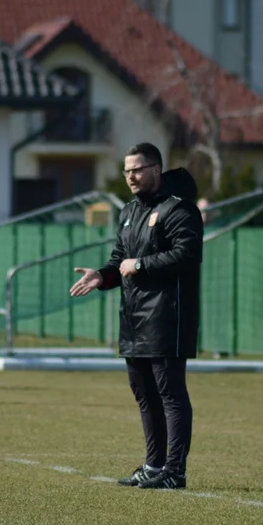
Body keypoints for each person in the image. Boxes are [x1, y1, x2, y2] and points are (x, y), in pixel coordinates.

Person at [69, 143, 203, 490]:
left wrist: (141, 265)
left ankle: (175, 470)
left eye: (138, 169)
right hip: (134, 317)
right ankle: (154, 465)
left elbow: (186, 255)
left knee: (170, 392)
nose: (131, 175)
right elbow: (120, 260)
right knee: (143, 392)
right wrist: (102, 276)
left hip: (167, 317)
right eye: (127, 170)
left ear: (156, 170)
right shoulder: (128, 211)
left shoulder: (180, 209)